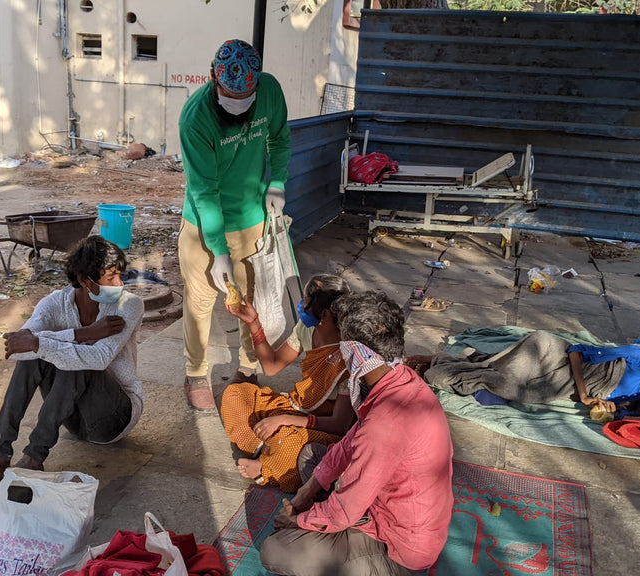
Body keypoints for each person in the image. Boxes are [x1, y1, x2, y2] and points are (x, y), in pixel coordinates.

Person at [260, 292, 454, 576]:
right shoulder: (403, 380)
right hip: (384, 503)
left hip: (397, 548)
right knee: (311, 458)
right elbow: (350, 440)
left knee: (275, 550)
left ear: (354, 351)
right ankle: (328, 512)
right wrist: (306, 492)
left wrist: (298, 521)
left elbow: (343, 512)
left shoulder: (384, 424)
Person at [0, 236, 144, 488]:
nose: (119, 284)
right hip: (73, 420)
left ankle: (34, 455)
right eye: (111, 278)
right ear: (84, 280)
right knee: (36, 355)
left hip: (114, 417)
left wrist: (40, 342)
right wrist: (83, 334)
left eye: (119, 276)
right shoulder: (54, 303)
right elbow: (16, 350)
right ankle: (0, 449)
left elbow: (100, 357)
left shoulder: (129, 305)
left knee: (73, 357)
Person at [178, 38, 291, 411]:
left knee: (250, 299)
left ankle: (247, 368)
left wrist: (277, 182)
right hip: (203, 226)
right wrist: (219, 252)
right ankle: (195, 373)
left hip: (252, 221)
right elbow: (204, 192)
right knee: (200, 302)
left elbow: (280, 139)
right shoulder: (195, 118)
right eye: (231, 94)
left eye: (247, 95)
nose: (240, 103)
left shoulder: (270, 91)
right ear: (214, 77)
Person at [221, 274, 356, 493]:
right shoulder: (307, 329)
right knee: (235, 394)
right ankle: (264, 447)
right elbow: (272, 365)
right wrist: (253, 323)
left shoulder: (350, 351)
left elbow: (339, 424)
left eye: (305, 301)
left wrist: (284, 420)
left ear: (324, 315)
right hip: (295, 406)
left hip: (322, 424)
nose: (301, 305)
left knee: (295, 446)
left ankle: (266, 464)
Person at [418, 331, 640, 425]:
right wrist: (585, 395)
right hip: (550, 353)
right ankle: (431, 365)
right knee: (501, 380)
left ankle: (435, 364)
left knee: (496, 384)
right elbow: (577, 351)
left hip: (555, 384)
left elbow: (626, 421)